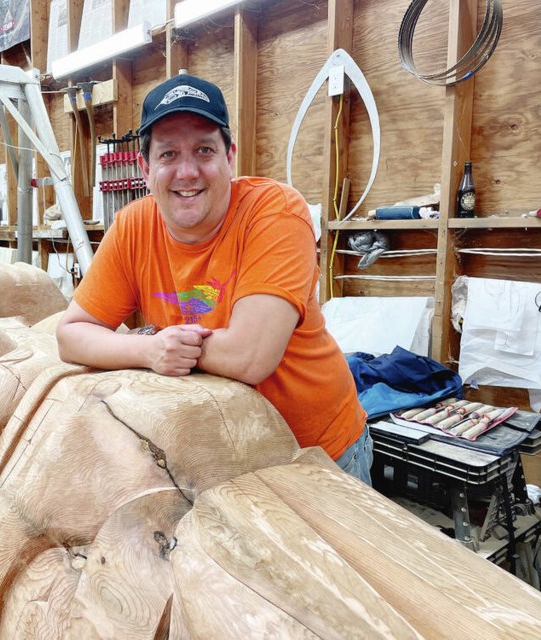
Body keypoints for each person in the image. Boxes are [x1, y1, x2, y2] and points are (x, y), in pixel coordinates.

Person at [56, 73, 373, 485]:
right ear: (145, 168)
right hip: (216, 460)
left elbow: (250, 357)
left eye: (204, 150)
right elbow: (70, 337)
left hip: (316, 455)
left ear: (230, 157)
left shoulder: (275, 212)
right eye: (168, 155)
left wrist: (162, 345)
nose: (187, 172)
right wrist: (150, 349)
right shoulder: (133, 227)